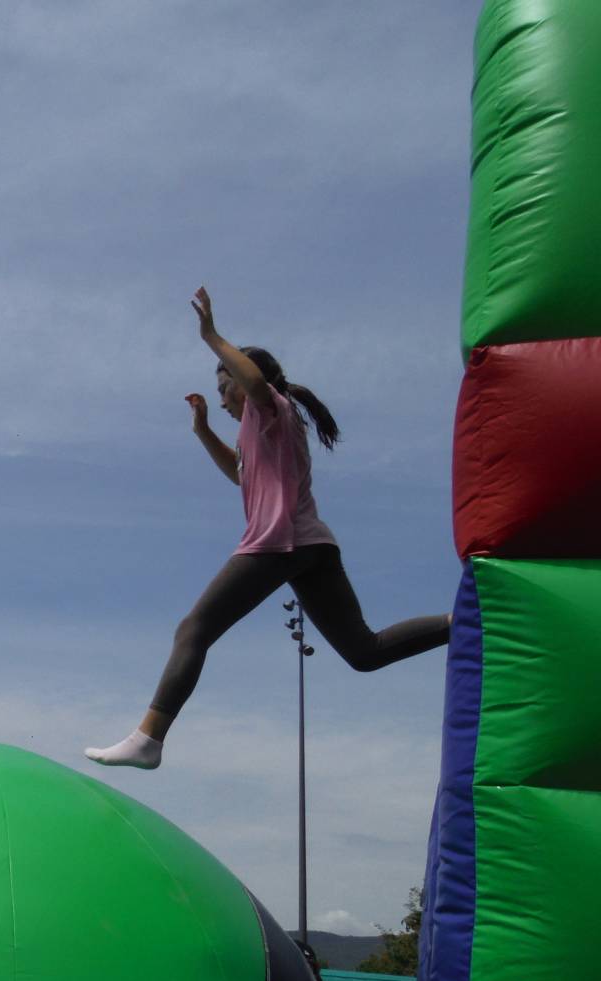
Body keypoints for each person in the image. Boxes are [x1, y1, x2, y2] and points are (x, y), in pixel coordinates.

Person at [85, 288, 449, 770]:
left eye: (224, 389)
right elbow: (240, 474)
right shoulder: (261, 428)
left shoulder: (270, 406)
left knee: (194, 628)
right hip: (312, 547)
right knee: (364, 651)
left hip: (280, 543)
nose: (222, 400)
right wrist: (202, 431)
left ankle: (149, 738)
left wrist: (211, 335)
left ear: (242, 383)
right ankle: (462, 622)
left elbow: (253, 381)